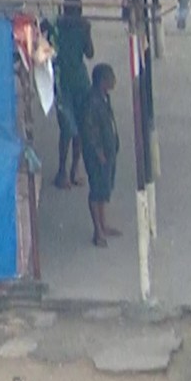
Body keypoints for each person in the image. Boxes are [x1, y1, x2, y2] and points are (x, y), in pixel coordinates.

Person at [47, 0, 95, 189]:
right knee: (77, 129)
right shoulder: (82, 27)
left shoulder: (56, 25)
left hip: (63, 82)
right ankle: (71, 170)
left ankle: (64, 171)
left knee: (67, 129)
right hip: (78, 82)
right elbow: (90, 53)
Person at [80, 64, 121, 247]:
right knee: (96, 191)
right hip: (98, 155)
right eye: (110, 77)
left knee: (104, 188)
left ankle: (103, 224)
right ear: (102, 81)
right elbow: (89, 131)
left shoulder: (104, 98)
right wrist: (99, 152)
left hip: (109, 151)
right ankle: (97, 230)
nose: (114, 80)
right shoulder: (92, 102)